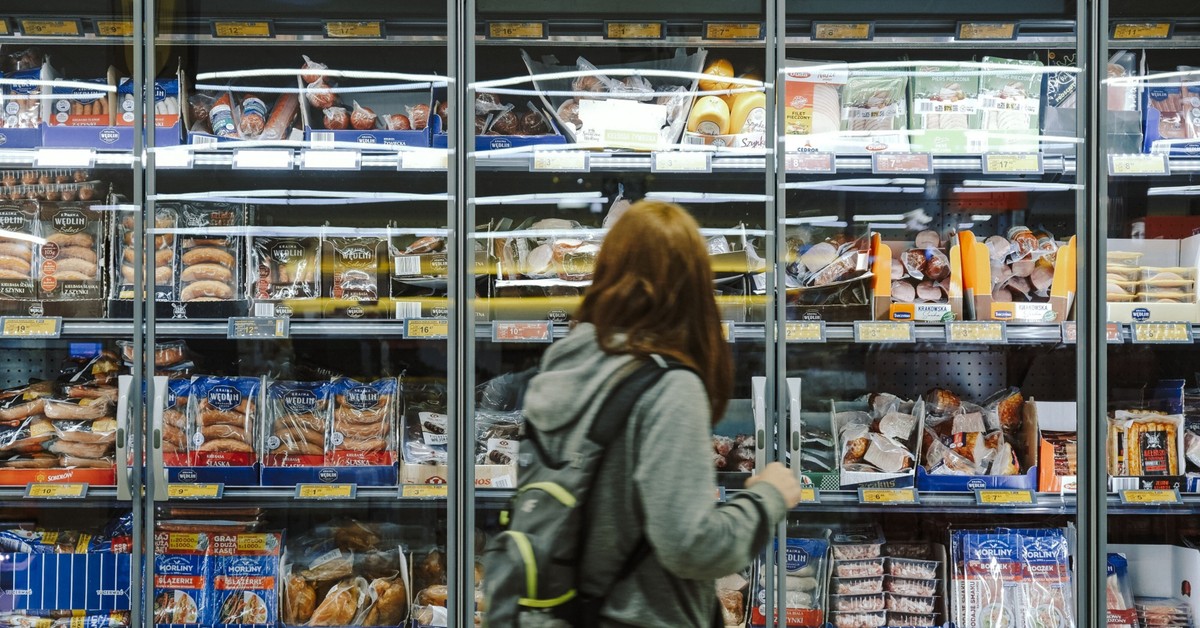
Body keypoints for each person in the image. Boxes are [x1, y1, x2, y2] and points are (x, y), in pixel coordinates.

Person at [519, 200, 805, 627]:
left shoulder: (560, 367)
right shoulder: (668, 386)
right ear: (693, 284)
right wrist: (767, 498)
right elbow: (691, 546)